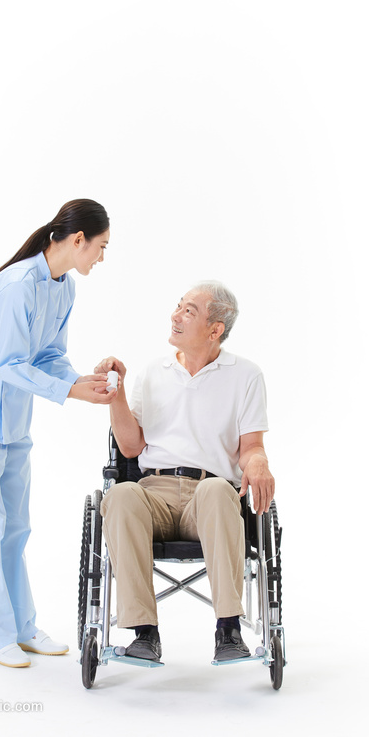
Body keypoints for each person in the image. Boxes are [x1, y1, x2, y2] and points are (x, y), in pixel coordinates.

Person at [0, 199, 117, 668]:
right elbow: (9, 364)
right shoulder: (16, 285)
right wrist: (70, 392)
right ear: (77, 239)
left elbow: (49, 355)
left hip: (13, 419)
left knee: (16, 526)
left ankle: (22, 627)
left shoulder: (64, 288)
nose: (101, 257)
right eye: (100, 247)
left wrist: (80, 381)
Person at [94, 281, 275, 663]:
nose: (175, 316)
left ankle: (229, 631)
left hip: (210, 495)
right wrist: (117, 394)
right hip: (153, 493)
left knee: (217, 491)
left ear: (215, 329)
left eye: (188, 311)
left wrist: (259, 462)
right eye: (178, 306)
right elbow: (130, 447)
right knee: (120, 494)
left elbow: (251, 448)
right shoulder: (152, 373)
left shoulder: (245, 375)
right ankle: (144, 633)